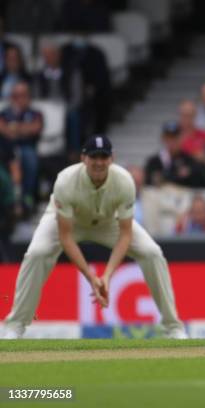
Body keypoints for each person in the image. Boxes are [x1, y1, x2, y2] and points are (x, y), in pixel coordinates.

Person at [1, 135, 188, 339]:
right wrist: (91, 278)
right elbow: (65, 237)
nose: (99, 162)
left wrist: (107, 276)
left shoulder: (124, 181)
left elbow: (125, 234)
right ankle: (15, 325)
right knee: (37, 253)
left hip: (107, 222)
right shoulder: (66, 180)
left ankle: (173, 327)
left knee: (152, 253)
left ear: (111, 158)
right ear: (83, 158)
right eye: (94, 157)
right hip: (68, 222)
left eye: (103, 157)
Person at [0, 82, 43, 215]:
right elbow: (3, 129)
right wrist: (23, 128)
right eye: (16, 95)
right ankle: (9, 204)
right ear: (12, 97)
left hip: (27, 147)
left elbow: (35, 128)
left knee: (29, 157)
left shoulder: (35, 113)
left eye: (23, 95)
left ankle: (27, 198)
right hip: (5, 150)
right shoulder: (4, 112)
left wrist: (15, 128)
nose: (20, 99)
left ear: (29, 97)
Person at [144, 121, 205, 188]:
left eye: (175, 137)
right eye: (168, 137)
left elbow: (200, 181)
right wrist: (177, 175)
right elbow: (149, 181)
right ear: (163, 138)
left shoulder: (189, 160)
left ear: (181, 138)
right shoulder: (154, 161)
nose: (171, 141)